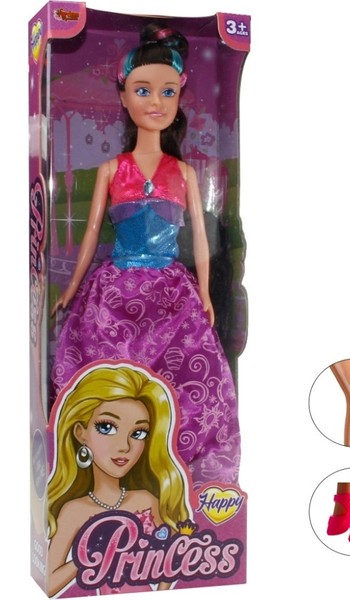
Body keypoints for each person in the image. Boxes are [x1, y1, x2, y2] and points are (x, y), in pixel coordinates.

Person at [50, 24, 240, 486]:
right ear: (123, 97)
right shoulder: (112, 169)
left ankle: (176, 471)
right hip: (116, 290)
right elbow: (91, 234)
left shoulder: (184, 173)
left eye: (168, 92)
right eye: (143, 90)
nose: (156, 102)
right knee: (112, 380)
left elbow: (200, 240)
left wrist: (204, 293)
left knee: (187, 377)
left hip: (172, 291)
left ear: (179, 98)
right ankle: (109, 470)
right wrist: (72, 289)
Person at [47, 362, 192, 596]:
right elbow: (50, 582)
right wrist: (87, 557)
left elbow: (173, 556)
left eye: (138, 433)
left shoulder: (146, 500)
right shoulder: (74, 511)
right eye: (106, 427)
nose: (124, 446)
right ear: (81, 433)